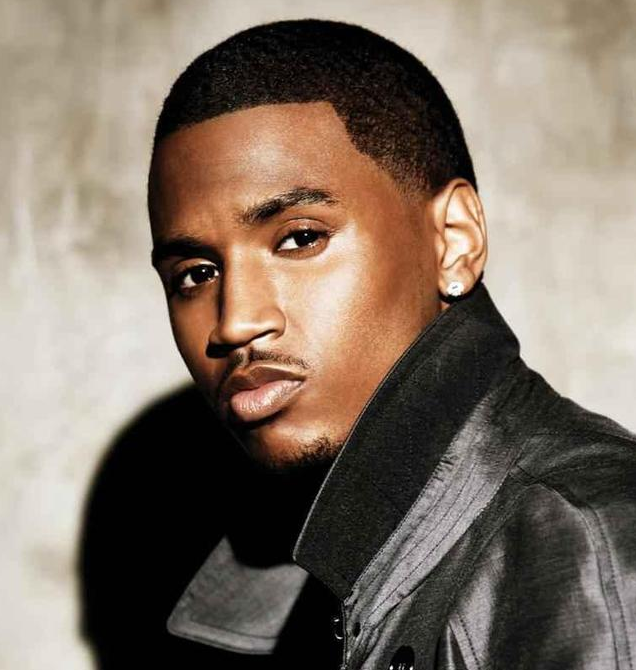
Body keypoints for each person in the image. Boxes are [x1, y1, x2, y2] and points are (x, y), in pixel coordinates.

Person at [146, 19, 636, 670]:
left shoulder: (586, 550)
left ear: (454, 241)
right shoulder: (299, 579)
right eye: (195, 274)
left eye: (300, 238)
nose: (234, 322)